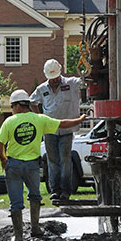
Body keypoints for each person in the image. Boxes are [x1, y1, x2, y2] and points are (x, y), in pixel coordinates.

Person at [0, 89, 86, 241]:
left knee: (16, 202)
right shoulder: (39, 119)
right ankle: (35, 229)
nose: (11, 110)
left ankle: (18, 236)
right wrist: (80, 119)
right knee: (35, 196)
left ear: (17, 106)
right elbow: (63, 124)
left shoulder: (9, 122)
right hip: (32, 166)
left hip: (14, 166)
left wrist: (3, 160)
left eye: (12, 107)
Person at [30, 59, 84, 200]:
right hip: (49, 131)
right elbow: (32, 102)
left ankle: (66, 190)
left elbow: (84, 82)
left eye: (56, 78)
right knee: (52, 160)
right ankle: (55, 190)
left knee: (65, 161)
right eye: (51, 79)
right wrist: (39, 117)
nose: (54, 81)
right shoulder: (42, 89)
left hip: (66, 131)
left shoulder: (71, 83)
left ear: (60, 73)